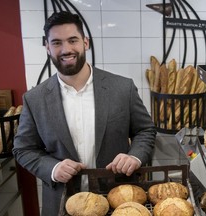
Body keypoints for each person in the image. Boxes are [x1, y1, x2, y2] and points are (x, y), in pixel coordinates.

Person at [13, 11, 156, 216]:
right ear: (47, 47)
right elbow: (23, 149)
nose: (66, 49)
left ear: (85, 42)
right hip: (62, 202)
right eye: (56, 43)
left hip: (119, 200)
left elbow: (145, 130)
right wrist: (53, 169)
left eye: (73, 40)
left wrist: (135, 156)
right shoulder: (34, 99)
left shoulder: (122, 88)